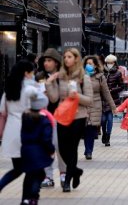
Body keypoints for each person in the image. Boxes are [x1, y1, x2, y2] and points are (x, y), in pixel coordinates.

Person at [45, 48, 93, 192]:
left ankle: (67, 181)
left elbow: (89, 100)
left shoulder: (84, 78)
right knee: (62, 148)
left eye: (69, 57)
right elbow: (54, 98)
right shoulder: (60, 77)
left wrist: (77, 96)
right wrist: (49, 82)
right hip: (62, 116)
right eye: (65, 57)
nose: (66, 59)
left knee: (72, 149)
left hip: (78, 116)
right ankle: (76, 171)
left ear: (76, 59)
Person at [0, 60, 37, 195]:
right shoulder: (29, 90)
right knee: (32, 169)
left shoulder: (8, 92)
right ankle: (28, 198)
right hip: (26, 132)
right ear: (26, 73)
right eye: (32, 72)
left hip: (11, 132)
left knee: (18, 168)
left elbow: (2, 113)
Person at [35, 48, 66, 188]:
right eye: (45, 61)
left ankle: (64, 174)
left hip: (60, 116)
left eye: (49, 61)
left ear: (56, 62)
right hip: (43, 117)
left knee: (60, 147)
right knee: (45, 147)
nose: (46, 63)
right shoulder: (39, 76)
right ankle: (47, 176)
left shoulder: (63, 77)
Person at [20, 90, 55, 205]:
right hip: (40, 152)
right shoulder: (44, 120)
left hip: (26, 151)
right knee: (39, 175)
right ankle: (33, 197)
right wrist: (51, 150)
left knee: (29, 175)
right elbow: (46, 138)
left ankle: (25, 198)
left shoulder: (25, 117)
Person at [82, 56, 116, 160]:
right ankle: (87, 147)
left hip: (95, 104)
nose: (89, 65)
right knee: (84, 128)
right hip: (83, 104)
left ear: (96, 65)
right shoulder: (81, 76)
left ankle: (89, 151)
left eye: (91, 63)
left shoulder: (100, 77)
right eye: (87, 63)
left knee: (92, 128)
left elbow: (106, 93)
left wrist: (113, 107)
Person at [102, 54, 124, 147]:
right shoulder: (102, 72)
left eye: (111, 63)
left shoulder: (118, 73)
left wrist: (112, 90)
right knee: (103, 120)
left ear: (114, 63)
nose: (109, 64)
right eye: (108, 63)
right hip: (102, 99)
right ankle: (104, 133)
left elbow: (122, 86)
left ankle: (108, 137)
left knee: (110, 119)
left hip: (113, 99)